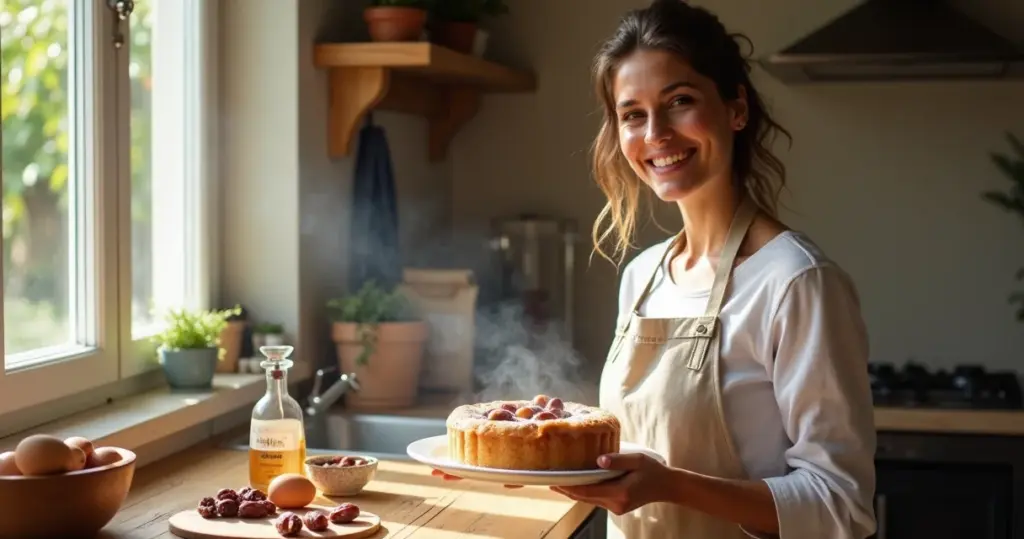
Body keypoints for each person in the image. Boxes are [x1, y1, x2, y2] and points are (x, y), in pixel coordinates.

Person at [433, 1, 878, 538]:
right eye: (632, 114)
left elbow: (841, 508)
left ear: (737, 108)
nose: (656, 134)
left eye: (680, 101)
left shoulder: (795, 282)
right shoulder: (643, 277)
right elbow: (631, 467)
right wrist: (524, 464)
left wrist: (669, 484)